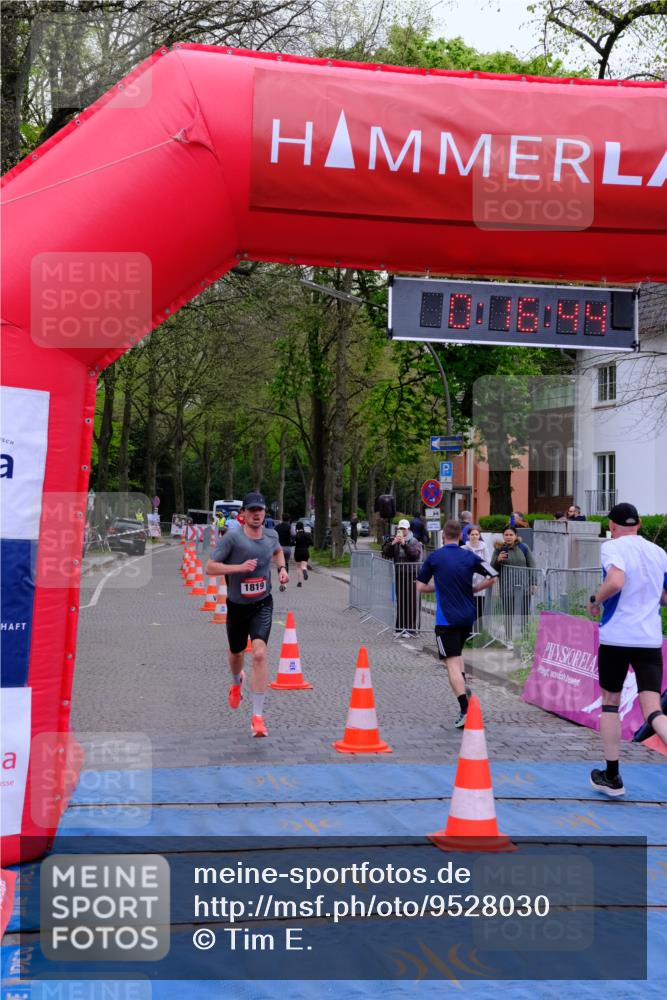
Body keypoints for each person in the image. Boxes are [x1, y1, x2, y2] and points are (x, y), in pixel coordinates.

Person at [587, 502, 667, 797]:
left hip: (617, 637)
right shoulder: (659, 553)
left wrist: (596, 598)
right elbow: (665, 597)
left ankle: (612, 775)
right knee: (653, 711)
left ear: (613, 525)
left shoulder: (613, 547)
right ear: (640, 522)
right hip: (649, 639)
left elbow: (617, 580)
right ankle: (611, 775)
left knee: (610, 702)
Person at [205, 492, 288, 738]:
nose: (256, 514)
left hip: (262, 603)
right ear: (243, 514)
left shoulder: (271, 535)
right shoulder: (232, 538)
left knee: (260, 655)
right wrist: (239, 568)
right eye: (251, 510)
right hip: (237, 606)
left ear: (264, 513)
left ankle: (258, 717)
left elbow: (277, 551)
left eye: (259, 510)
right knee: (236, 653)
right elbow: (210, 567)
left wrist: (282, 569)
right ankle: (235, 682)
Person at [417, 520, 497, 727]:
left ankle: (465, 708)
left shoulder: (435, 557)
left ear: (443, 535)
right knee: (457, 654)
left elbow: (420, 586)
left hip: (446, 619)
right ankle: (463, 683)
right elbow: (493, 576)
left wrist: (440, 587)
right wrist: (473, 590)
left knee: (450, 662)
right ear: (460, 536)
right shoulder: (470, 555)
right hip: (468, 616)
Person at [491, 525, 537, 645]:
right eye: (506, 535)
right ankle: (509, 638)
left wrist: (534, 583)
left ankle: (525, 638)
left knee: (524, 613)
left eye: (511, 535)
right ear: (503, 536)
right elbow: (491, 568)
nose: (508, 537)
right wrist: (498, 560)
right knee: (508, 613)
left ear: (516, 536)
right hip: (507, 586)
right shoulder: (499, 549)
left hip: (523, 586)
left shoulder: (523, 547)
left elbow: (532, 565)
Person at [382, 518, 424, 637]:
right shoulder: (395, 541)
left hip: (412, 574)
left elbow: (414, 555)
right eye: (400, 528)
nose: (401, 531)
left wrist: (404, 545)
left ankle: (410, 629)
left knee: (410, 601)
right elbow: (386, 553)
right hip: (400, 573)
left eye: (404, 529)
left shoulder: (414, 541)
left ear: (408, 529)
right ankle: (400, 628)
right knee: (401, 601)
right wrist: (393, 543)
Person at [464, 525, 491, 626]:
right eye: (472, 534)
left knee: (479, 609)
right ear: (468, 536)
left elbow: (487, 562)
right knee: (468, 609)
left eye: (476, 534)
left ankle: (478, 633)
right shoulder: (464, 548)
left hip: (480, 583)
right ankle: (468, 633)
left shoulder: (484, 548)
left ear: (479, 535)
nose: (474, 536)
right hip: (467, 582)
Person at [293, 521, 312, 587]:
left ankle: (299, 582)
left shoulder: (296, 535)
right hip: (305, 551)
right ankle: (304, 570)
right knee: (303, 565)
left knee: (298, 567)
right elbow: (311, 542)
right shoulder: (307, 534)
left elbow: (293, 543)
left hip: (298, 552)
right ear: (303, 527)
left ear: (297, 527)